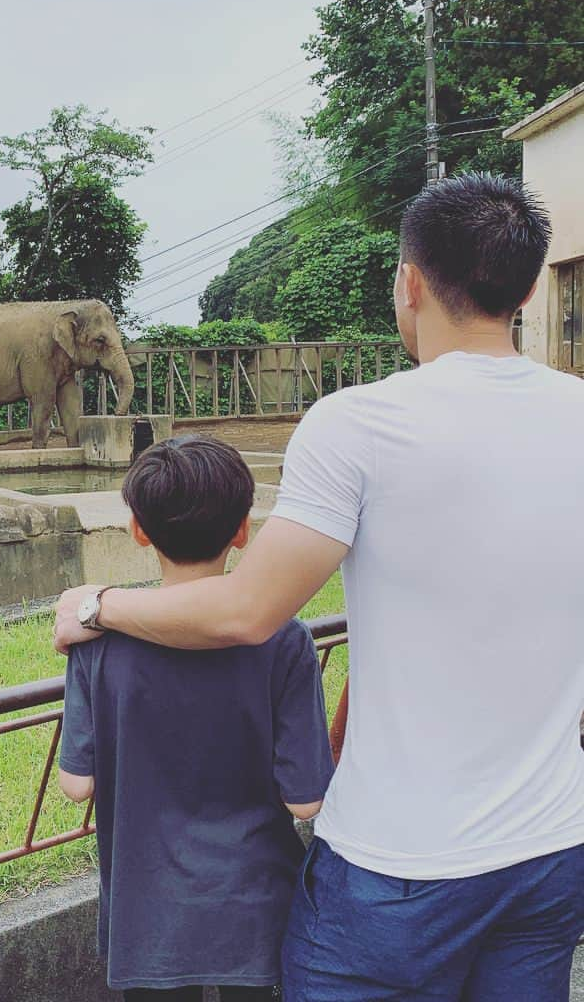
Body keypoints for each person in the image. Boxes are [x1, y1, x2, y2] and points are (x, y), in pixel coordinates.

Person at [55, 174, 584, 1001]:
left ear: (409, 282)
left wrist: (95, 606)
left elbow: (245, 610)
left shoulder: (360, 424)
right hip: (551, 847)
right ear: (524, 289)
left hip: (399, 868)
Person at [57, 435, 335, 1001]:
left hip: (146, 910)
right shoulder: (285, 639)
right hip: (253, 905)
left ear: (138, 531)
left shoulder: (98, 643)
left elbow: (75, 784)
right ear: (242, 530)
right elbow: (306, 799)